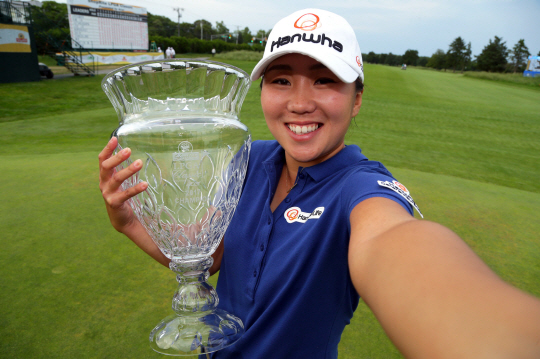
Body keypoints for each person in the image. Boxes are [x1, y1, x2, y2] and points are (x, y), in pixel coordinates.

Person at [99, 8, 540, 359]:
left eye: (325, 80)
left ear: (357, 99)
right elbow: (211, 258)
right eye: (281, 80)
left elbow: (395, 241)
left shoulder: (362, 189)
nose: (299, 102)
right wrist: (128, 223)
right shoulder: (248, 157)